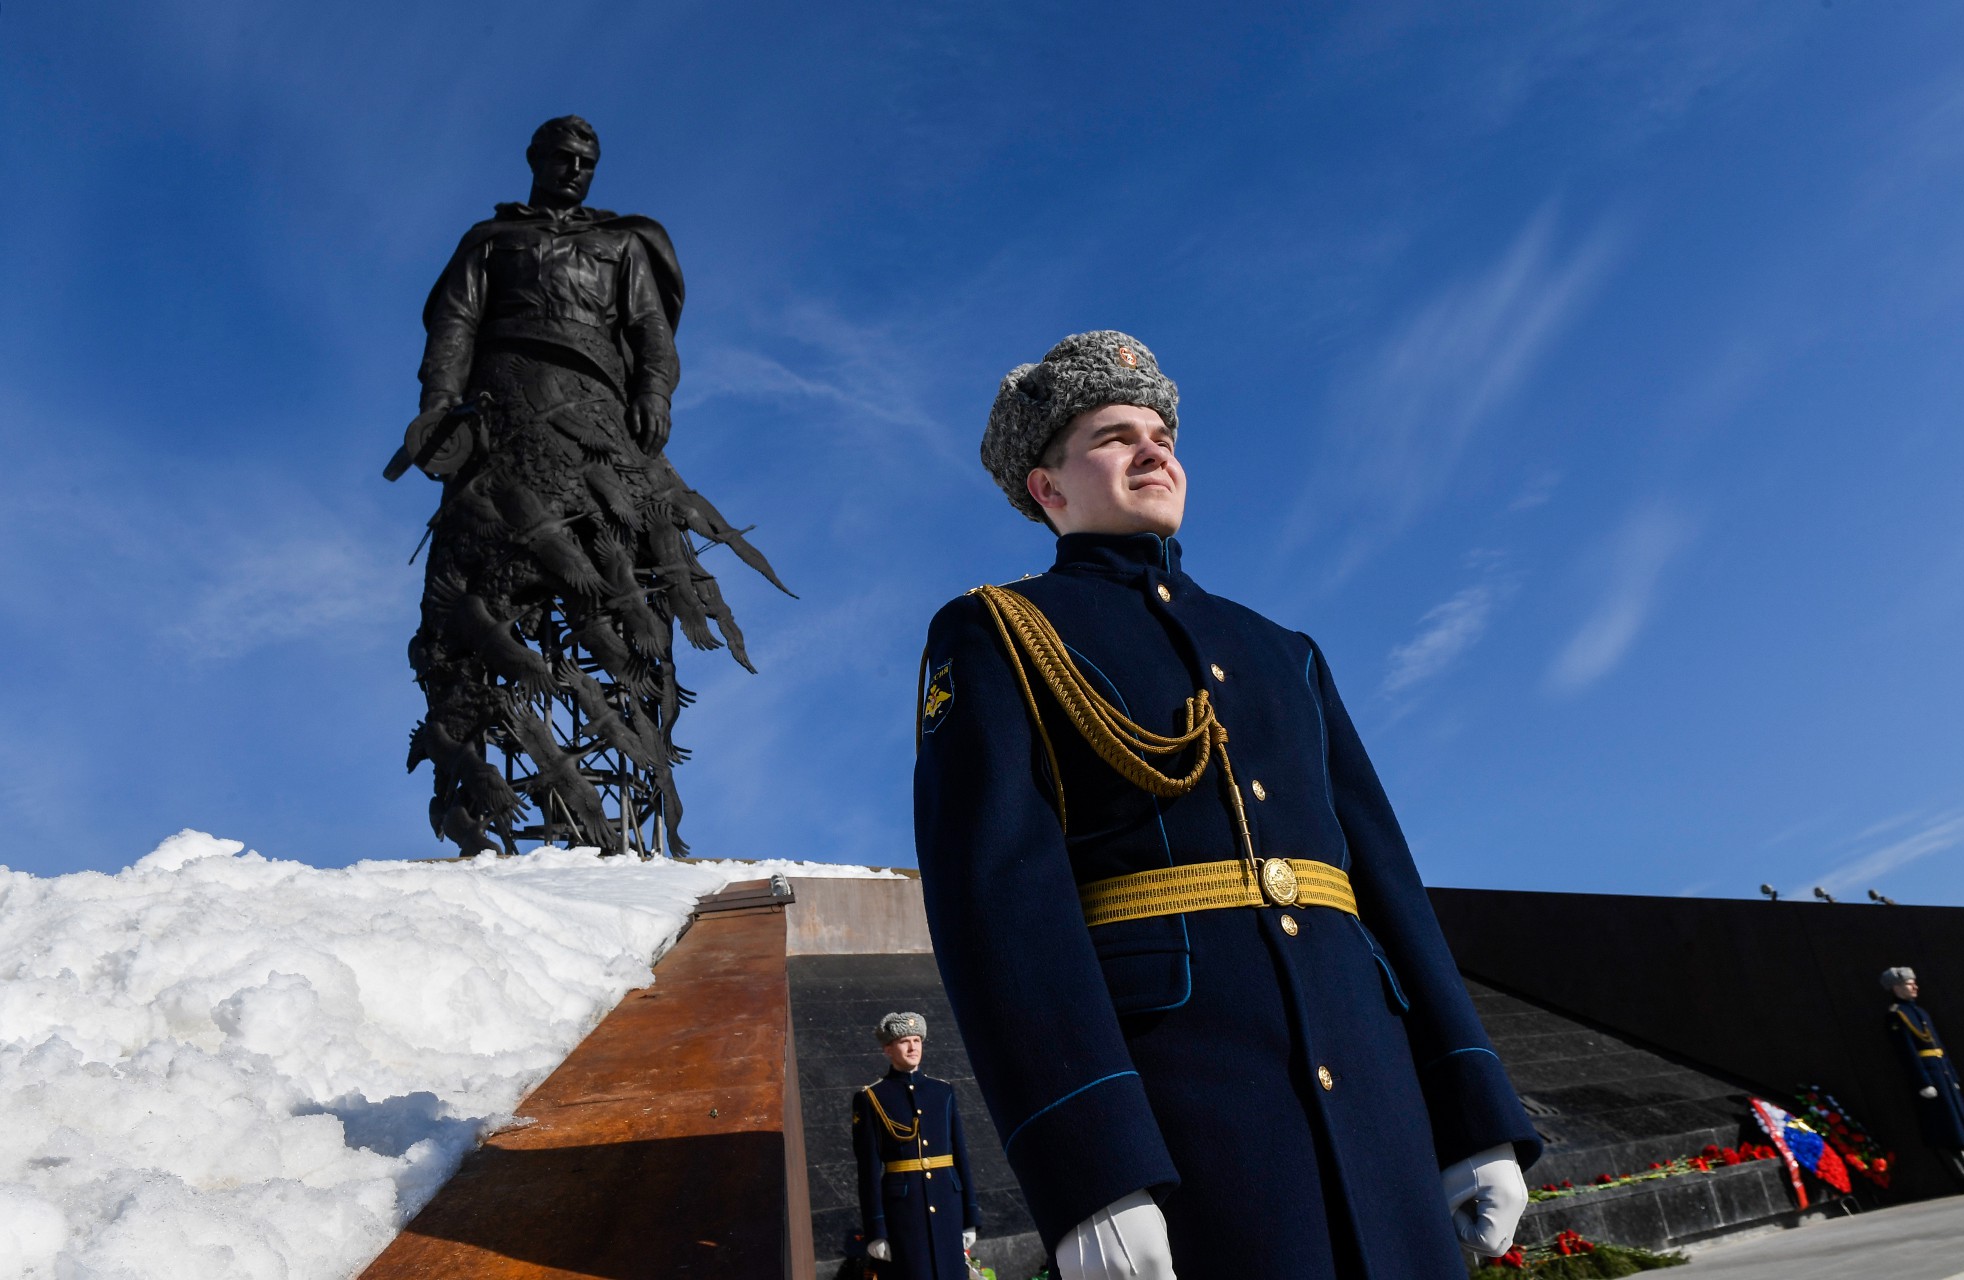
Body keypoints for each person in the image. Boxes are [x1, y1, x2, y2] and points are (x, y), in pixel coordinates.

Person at [913, 332, 1541, 1278]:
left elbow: (1388, 889)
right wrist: (1094, 1175)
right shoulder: (999, 632)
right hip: (1191, 1114)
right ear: (1047, 489)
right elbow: (999, 910)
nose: (1154, 449)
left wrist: (1473, 1113)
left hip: (1379, 1099)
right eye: (1113, 434)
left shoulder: (1283, 651)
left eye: (1161, 432)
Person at [397, 115, 784, 856]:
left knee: (618, 570)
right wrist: (438, 406)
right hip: (507, 407)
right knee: (493, 578)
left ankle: (619, 818)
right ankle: (493, 802)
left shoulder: (624, 243)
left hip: (595, 414)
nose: (576, 169)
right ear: (536, 159)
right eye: (564, 157)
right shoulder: (492, 242)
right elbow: (454, 324)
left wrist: (657, 394)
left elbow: (649, 331)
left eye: (587, 161)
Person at [852, 1012, 981, 1280]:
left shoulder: (942, 1091)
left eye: (917, 1040)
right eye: (904, 1042)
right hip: (905, 1211)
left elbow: (961, 1156)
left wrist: (970, 1217)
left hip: (948, 1202)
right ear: (888, 1049)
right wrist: (877, 1229)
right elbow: (868, 1170)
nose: (913, 1048)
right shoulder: (872, 1097)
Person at [1882, 967, 1964, 1190]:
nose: (1915, 987)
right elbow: (1908, 1053)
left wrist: (1952, 1075)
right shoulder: (1896, 1014)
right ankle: (1962, 1177)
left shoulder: (1921, 1012)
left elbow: (1939, 1046)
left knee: (1957, 1128)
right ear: (1896, 987)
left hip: (1942, 1074)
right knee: (1944, 1131)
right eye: (1910, 984)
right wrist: (1924, 1082)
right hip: (1930, 1078)